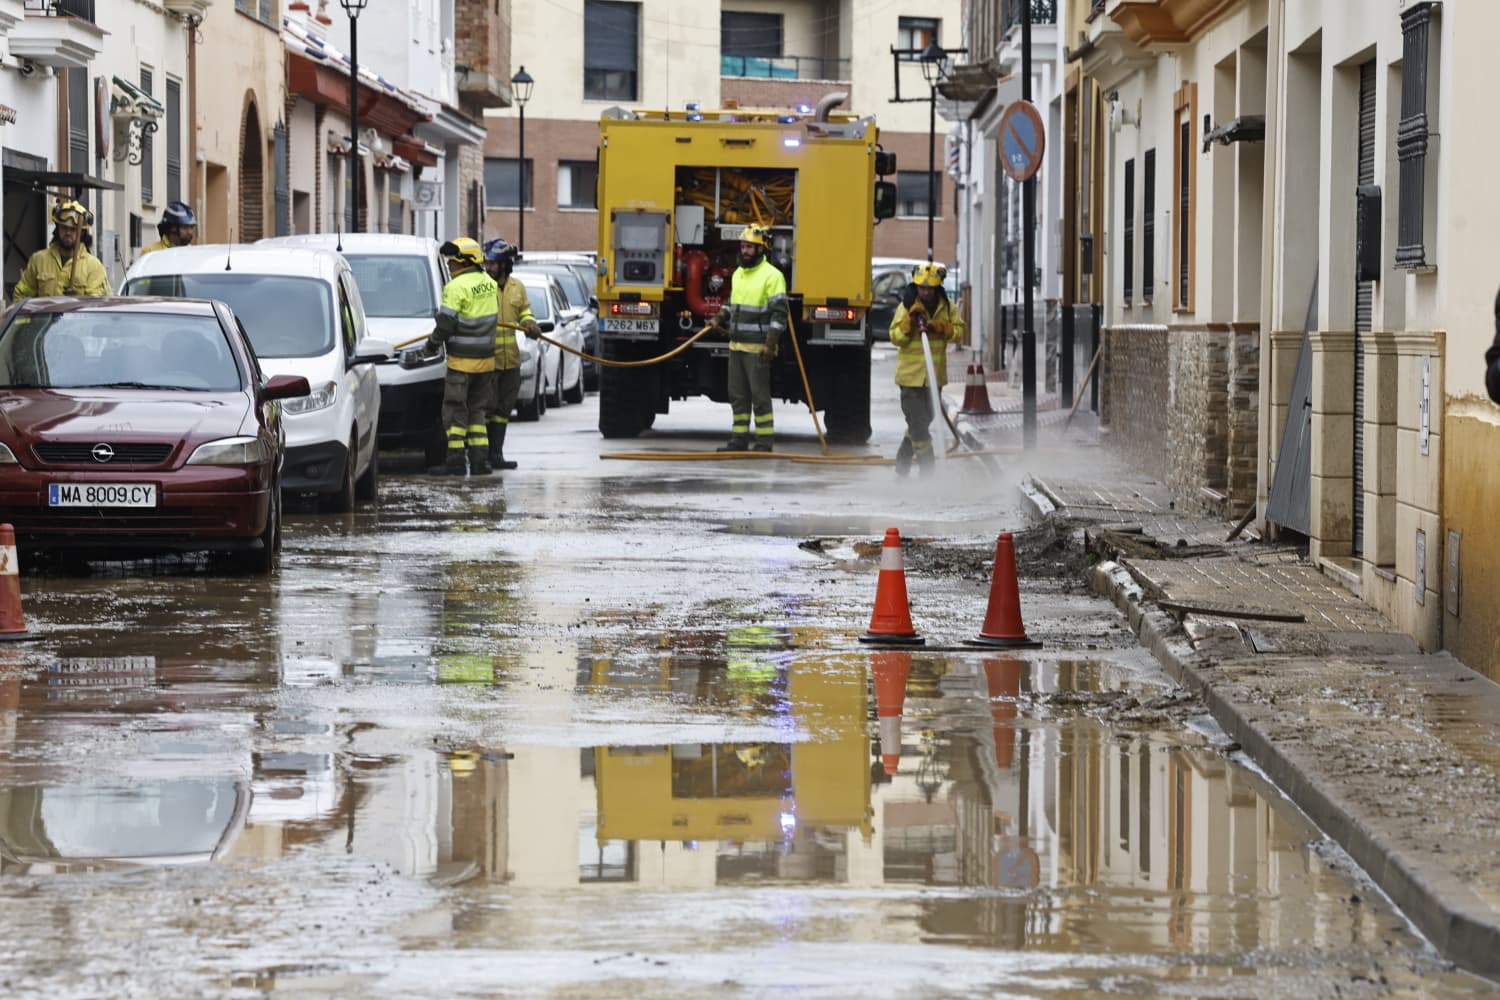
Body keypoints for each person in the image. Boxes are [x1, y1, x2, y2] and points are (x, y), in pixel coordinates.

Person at [425, 237, 499, 477]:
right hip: (486, 363)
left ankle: (455, 462)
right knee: (477, 413)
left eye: (452, 262)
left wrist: (430, 346)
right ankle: (480, 462)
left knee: (455, 412)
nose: (449, 266)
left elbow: (445, 324)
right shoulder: (488, 283)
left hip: (461, 364)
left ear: (464, 261)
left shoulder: (455, 287)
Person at [713, 224, 788, 453]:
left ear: (760, 250)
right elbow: (732, 304)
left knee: (760, 398)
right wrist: (719, 317)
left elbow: (779, 314)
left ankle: (764, 442)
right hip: (736, 345)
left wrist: (770, 344)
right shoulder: (738, 274)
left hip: (757, 348)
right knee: (737, 396)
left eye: (749, 247)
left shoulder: (772, 276)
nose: (744, 251)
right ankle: (739, 439)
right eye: (743, 246)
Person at [888, 262, 965, 476]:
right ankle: (928, 472)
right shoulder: (906, 307)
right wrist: (907, 325)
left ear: (937, 287)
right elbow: (894, 337)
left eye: (930, 288)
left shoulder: (947, 307)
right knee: (920, 427)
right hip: (910, 379)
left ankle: (902, 462)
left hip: (934, 378)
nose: (926, 292)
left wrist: (943, 328)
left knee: (921, 422)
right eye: (922, 288)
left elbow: (960, 332)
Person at [482, 237, 541, 470]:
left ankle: (497, 454)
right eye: (487, 263)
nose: (489, 268)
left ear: (505, 264)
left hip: (510, 361)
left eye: (494, 264)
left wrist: (530, 325)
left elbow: (524, 311)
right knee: (486, 409)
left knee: (502, 410)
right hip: (488, 360)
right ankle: (481, 456)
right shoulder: (482, 287)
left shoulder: (517, 287)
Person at [13, 200, 110, 300]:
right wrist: (26, 316)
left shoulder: (93, 266)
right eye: (64, 227)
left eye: (73, 229)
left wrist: (78, 301)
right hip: (46, 316)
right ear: (57, 229)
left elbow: (98, 305)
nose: (68, 232)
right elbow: (21, 296)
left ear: (82, 233)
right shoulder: (39, 260)